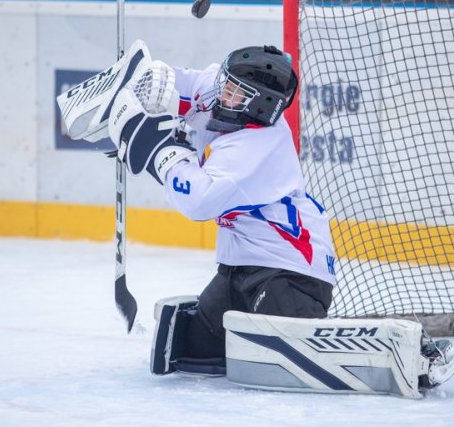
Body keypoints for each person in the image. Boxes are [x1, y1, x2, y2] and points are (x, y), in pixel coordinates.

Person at [109, 44, 337, 375]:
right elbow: (175, 82)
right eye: (225, 84)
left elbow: (198, 200)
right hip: (236, 268)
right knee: (190, 354)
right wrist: (129, 99)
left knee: (290, 363)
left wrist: (157, 149)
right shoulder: (228, 97)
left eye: (234, 92)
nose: (221, 94)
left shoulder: (256, 147)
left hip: (287, 274)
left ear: (260, 105)